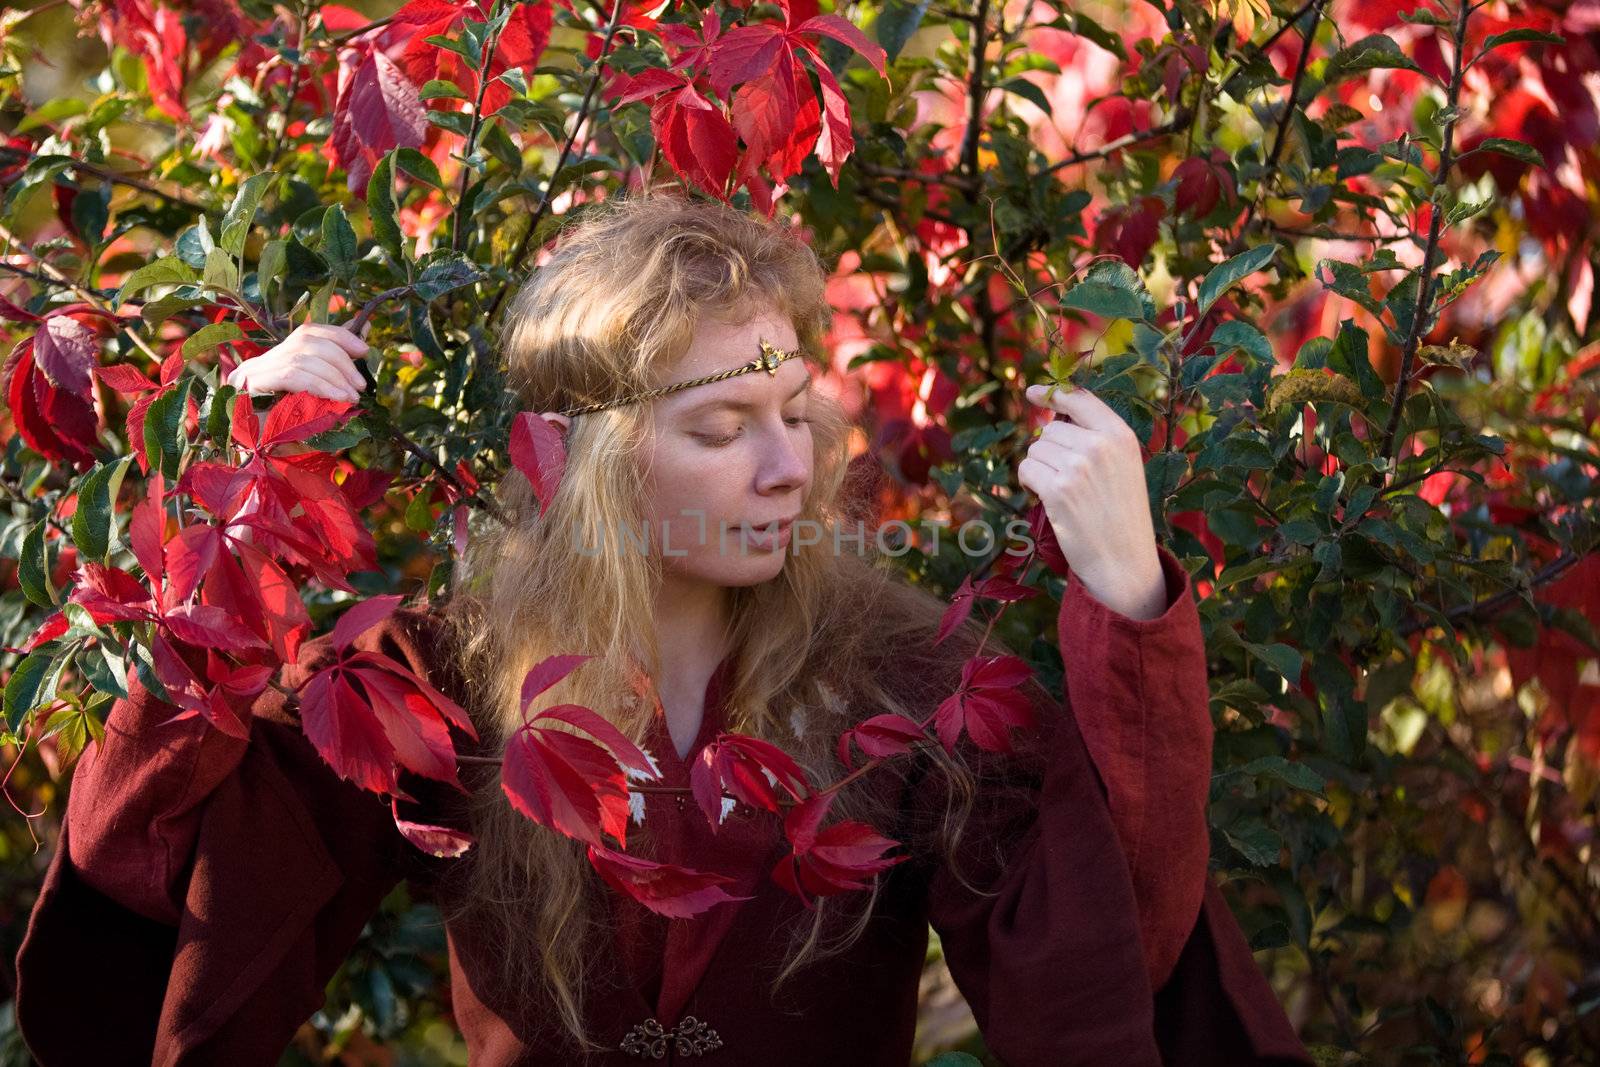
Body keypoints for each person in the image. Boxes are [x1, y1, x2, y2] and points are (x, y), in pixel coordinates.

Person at [13, 194, 1314, 1065]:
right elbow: (150, 881)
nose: (788, 468)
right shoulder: (442, 682)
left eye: (795, 414)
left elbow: (1114, 958)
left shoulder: (910, 682)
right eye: (717, 430)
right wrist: (238, 527)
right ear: (598, 465)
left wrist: (1133, 603)